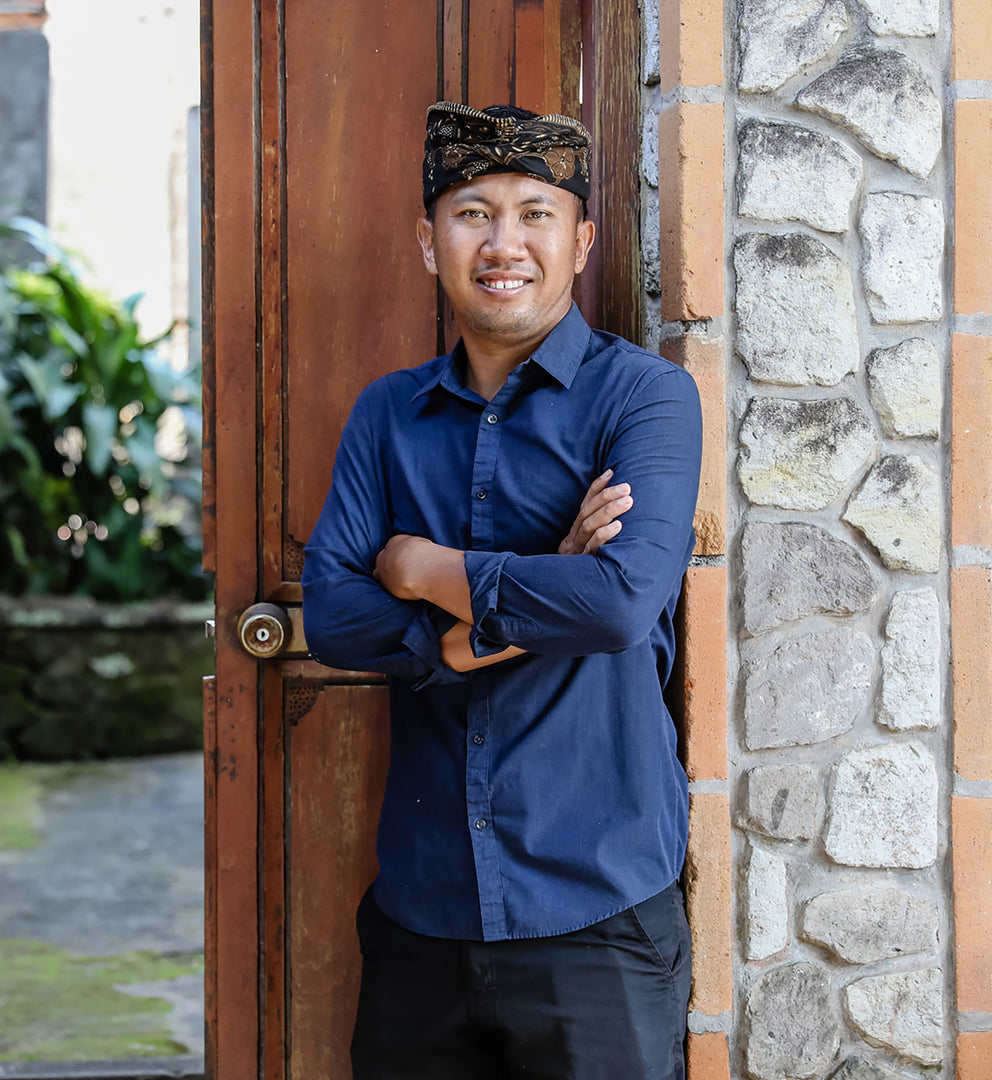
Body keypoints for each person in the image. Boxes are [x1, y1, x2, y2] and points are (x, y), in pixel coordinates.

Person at [302, 100, 703, 1080]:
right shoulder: (389, 414)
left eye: (535, 212)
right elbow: (332, 615)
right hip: (422, 914)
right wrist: (496, 616)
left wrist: (422, 570)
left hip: (596, 911)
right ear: (429, 243)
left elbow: (614, 604)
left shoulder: (644, 397)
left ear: (583, 241)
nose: (504, 241)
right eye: (473, 212)